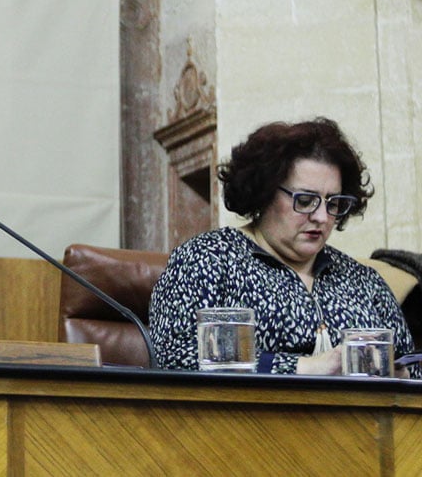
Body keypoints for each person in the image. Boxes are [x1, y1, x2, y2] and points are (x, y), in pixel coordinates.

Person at [148, 117, 417, 376]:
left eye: (333, 203)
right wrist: (303, 367)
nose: (322, 217)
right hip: (245, 420)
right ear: (264, 192)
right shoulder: (208, 259)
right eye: (305, 200)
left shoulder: (364, 281)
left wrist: (401, 376)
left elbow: (413, 367)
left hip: (360, 421)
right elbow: (173, 354)